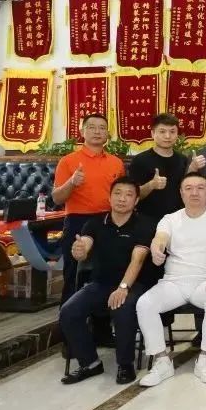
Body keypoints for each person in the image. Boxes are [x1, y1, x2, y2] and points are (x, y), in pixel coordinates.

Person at [136, 172, 206, 387]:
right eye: (188, 188)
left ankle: (205, 359)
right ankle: (161, 361)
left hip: (205, 280)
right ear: (181, 193)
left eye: (200, 188)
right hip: (173, 282)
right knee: (145, 304)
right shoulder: (169, 219)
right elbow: (160, 239)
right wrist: (156, 249)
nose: (194, 192)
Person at [59, 177, 151, 385]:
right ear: (109, 198)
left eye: (128, 195)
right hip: (101, 283)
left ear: (136, 201)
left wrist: (123, 287)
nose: (122, 199)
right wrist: (79, 250)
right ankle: (90, 363)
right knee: (69, 311)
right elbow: (84, 246)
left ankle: (125, 364)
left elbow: (137, 260)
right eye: (117, 193)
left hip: (134, 284)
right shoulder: (95, 223)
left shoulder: (145, 224)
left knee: (122, 306)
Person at [52, 114, 126, 304]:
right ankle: (68, 317)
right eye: (92, 127)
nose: (97, 132)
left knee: (107, 272)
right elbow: (57, 198)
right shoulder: (68, 161)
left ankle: (102, 319)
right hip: (78, 221)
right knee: (73, 273)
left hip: (108, 221)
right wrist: (72, 182)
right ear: (82, 131)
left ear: (107, 133)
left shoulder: (116, 163)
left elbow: (123, 195)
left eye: (102, 128)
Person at [129, 113, 189, 230]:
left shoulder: (183, 160)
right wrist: (151, 185)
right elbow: (132, 195)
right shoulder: (140, 160)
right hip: (148, 221)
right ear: (153, 133)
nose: (167, 136)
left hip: (177, 221)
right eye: (162, 131)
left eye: (172, 132)